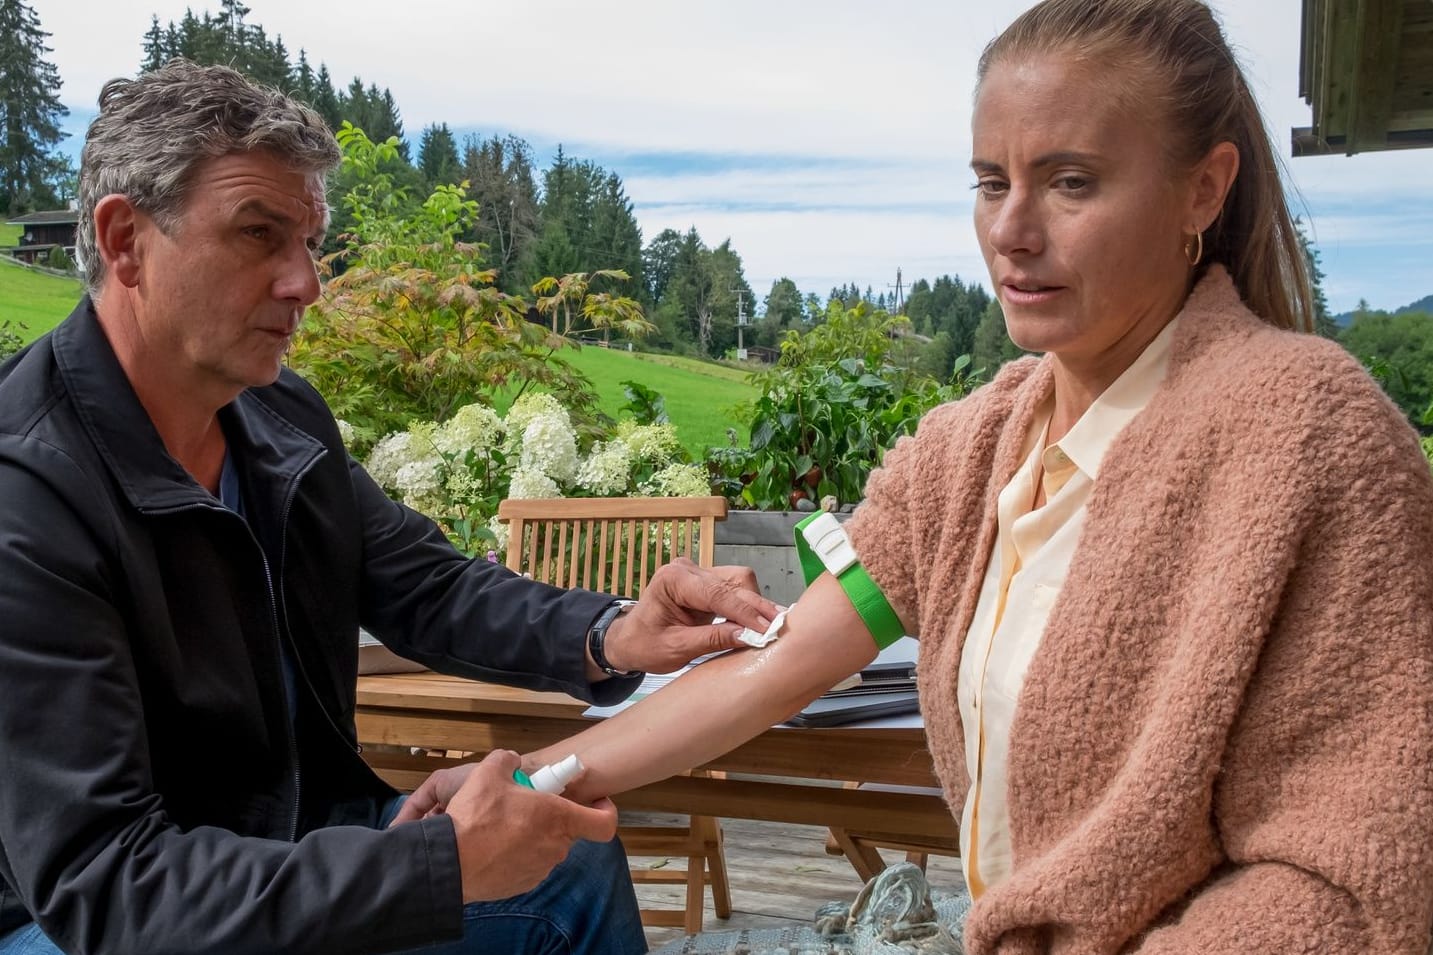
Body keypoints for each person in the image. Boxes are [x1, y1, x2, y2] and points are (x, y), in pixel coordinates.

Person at [406, 1, 1433, 952]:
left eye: (1069, 182)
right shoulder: (970, 453)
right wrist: (535, 775)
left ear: (1201, 187)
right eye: (991, 182)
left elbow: (1360, 875)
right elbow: (775, 664)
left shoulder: (1308, 439)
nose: (1011, 230)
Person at [0, 61, 778, 955]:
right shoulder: (27, 490)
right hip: (78, 919)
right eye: (259, 234)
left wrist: (612, 631)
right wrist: (436, 869)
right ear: (125, 239)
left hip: (290, 841)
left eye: (309, 242)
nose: (305, 283)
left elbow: (429, 586)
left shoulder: (278, 419)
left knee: (564, 854)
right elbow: (105, 885)